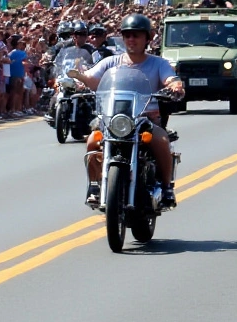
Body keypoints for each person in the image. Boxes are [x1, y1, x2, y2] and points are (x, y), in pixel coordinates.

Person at [70, 14, 183, 208]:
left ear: (148, 37)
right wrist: (78, 79)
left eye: (137, 35)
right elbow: (91, 77)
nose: (131, 39)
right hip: (113, 119)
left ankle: (166, 188)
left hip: (145, 119)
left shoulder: (158, 63)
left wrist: (175, 85)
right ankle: (95, 186)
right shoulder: (111, 62)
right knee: (92, 141)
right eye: (127, 35)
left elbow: (170, 78)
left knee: (161, 141)